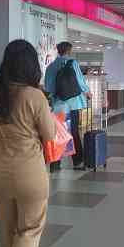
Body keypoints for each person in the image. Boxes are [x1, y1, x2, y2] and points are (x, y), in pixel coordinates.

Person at [0, 40, 55, 247]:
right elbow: (49, 134)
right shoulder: (34, 96)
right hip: (29, 170)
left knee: (8, 222)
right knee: (31, 225)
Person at [44, 42, 91, 172]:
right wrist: (87, 92)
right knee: (74, 132)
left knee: (58, 133)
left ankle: (55, 164)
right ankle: (78, 162)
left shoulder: (51, 66)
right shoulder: (72, 63)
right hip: (73, 104)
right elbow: (81, 82)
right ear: (69, 51)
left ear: (58, 51)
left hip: (58, 105)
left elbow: (48, 86)